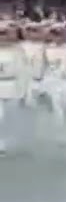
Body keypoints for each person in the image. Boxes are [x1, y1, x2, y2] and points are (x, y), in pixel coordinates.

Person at [0, 21, 23, 153]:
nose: (1, 37)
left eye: (3, 34)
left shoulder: (16, 51)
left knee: (8, 116)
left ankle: (5, 142)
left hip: (11, 85)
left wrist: (22, 90)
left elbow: (22, 71)